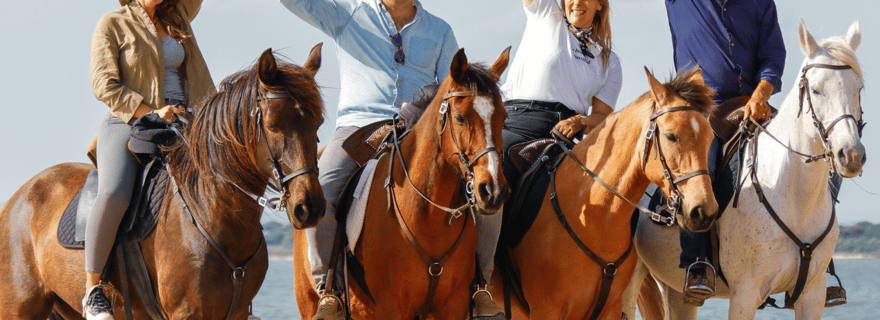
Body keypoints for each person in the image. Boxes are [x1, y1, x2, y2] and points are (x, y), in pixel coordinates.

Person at [279, 1, 504, 319]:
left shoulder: (440, 31)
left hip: (420, 128)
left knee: (490, 192)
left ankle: (480, 287)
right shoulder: (349, 14)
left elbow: (452, 88)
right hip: (357, 128)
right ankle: (329, 290)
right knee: (323, 193)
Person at [84, 0, 215, 318]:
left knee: (227, 185)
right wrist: (153, 112)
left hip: (186, 119)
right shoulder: (113, 23)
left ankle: (239, 295)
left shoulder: (178, 17)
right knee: (115, 191)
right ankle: (93, 291)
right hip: (129, 119)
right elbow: (104, 85)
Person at [663, 0, 784, 305]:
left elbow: (773, 55)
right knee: (701, 166)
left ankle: (817, 263)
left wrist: (761, 94)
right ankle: (697, 263)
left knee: (803, 150)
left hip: (753, 104)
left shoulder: (761, 3)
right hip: (703, 107)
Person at [501, 0, 622, 188]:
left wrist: (579, 122)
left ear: (600, 4)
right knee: (495, 169)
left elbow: (602, 117)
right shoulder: (545, 11)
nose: (577, 2)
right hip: (519, 123)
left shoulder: (609, 62)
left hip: (566, 136)